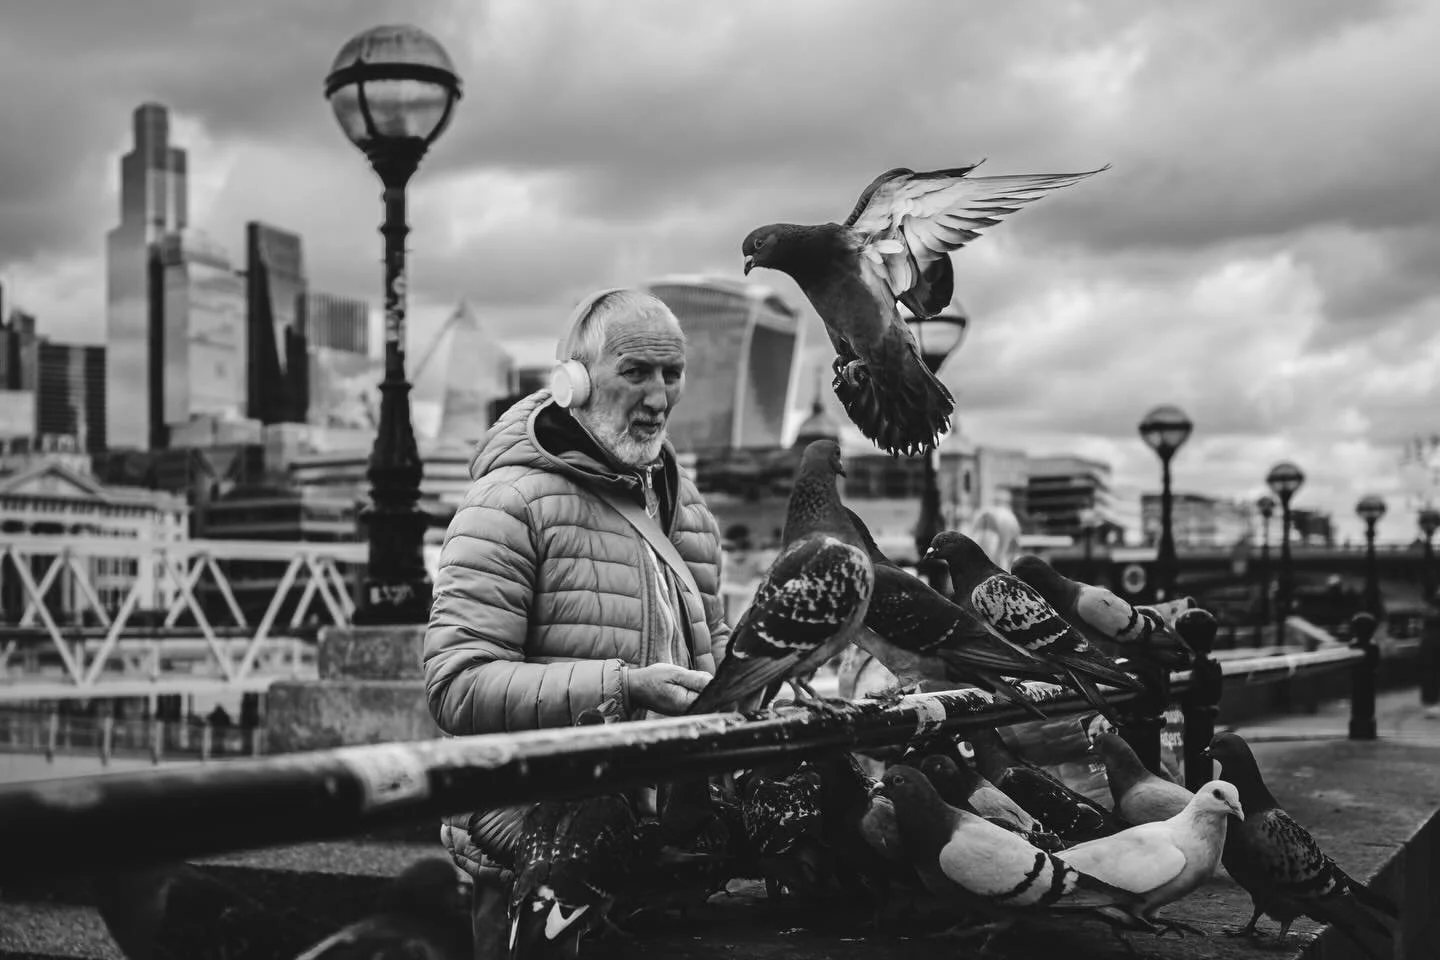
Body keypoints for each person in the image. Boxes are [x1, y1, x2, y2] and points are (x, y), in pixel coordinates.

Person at [422, 287, 730, 957]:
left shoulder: (686, 507)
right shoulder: (507, 503)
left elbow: (713, 645)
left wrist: (761, 678)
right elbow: (457, 685)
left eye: (672, 373)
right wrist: (623, 687)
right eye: (636, 371)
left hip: (667, 854)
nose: (659, 395)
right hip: (536, 852)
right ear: (574, 382)